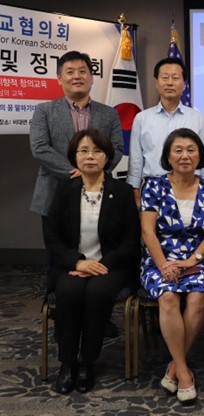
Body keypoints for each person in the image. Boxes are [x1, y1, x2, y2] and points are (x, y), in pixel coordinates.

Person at [44, 129, 140, 395]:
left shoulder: (120, 192)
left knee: (97, 295)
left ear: (107, 157)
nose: (90, 157)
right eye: (83, 151)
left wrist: (100, 265)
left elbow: (131, 241)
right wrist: (77, 262)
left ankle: (87, 362)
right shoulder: (65, 189)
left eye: (97, 151)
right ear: (74, 156)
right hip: (72, 267)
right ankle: (67, 363)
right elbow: (52, 236)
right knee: (68, 294)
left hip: (111, 266)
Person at [30, 50, 124, 293]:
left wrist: (93, 173)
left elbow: (118, 148)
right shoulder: (44, 111)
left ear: (92, 78)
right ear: (59, 79)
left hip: (100, 193)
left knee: (100, 250)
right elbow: (39, 147)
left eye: (83, 71)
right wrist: (78, 171)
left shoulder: (109, 112)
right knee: (58, 253)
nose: (77, 77)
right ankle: (60, 311)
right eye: (69, 72)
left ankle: (99, 312)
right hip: (53, 192)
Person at [140, 128, 204, 405]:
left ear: (200, 155)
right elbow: (148, 232)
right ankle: (184, 372)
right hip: (159, 259)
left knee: (198, 298)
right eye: (178, 150)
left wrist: (192, 260)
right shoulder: (153, 186)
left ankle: (174, 367)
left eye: (191, 150)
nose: (185, 155)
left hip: (198, 259)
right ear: (168, 156)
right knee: (169, 297)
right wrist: (164, 266)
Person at [128, 57, 204, 206]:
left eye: (175, 78)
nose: (169, 82)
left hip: (191, 190)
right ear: (156, 83)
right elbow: (136, 161)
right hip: (153, 190)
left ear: (184, 84)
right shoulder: (142, 119)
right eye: (164, 77)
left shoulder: (197, 118)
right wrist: (135, 193)